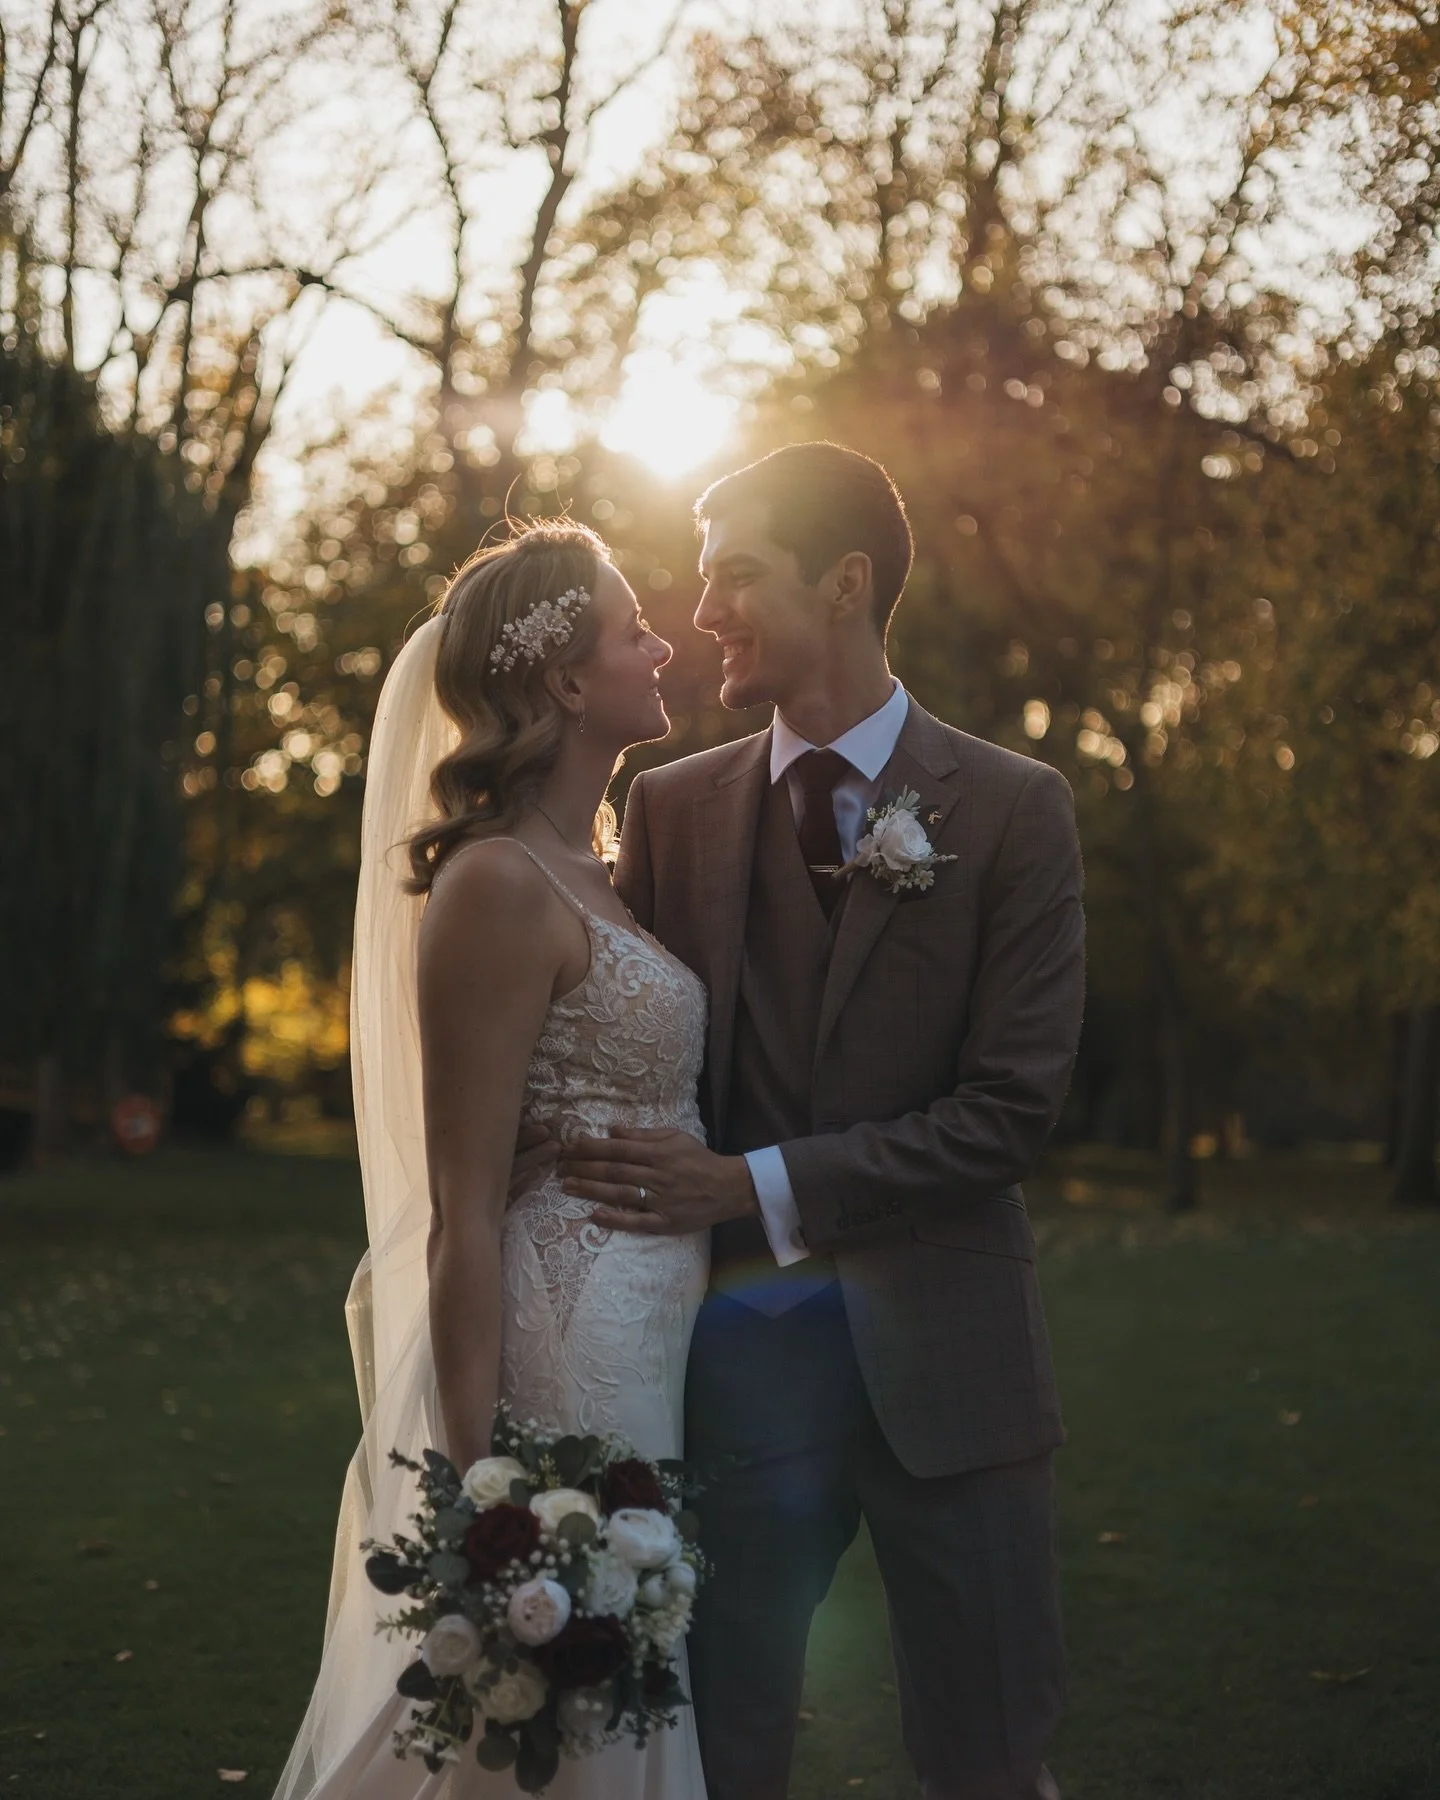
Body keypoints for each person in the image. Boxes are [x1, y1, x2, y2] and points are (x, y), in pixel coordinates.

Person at [557, 442, 1086, 1800]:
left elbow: (1009, 1113)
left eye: (737, 573)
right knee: (719, 1758)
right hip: (731, 1383)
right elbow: (628, 1063)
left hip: (956, 1375)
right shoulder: (668, 807)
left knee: (989, 1758)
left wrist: (750, 1184)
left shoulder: (1016, 810)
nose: (702, 612)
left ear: (845, 583)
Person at [273, 522, 710, 1800]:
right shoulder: (497, 885)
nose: (662, 647)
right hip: (566, 1349)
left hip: (648, 1339)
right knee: (570, 1718)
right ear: (565, 679)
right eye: (635, 629)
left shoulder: (598, 869)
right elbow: (460, 1211)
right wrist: (485, 1495)